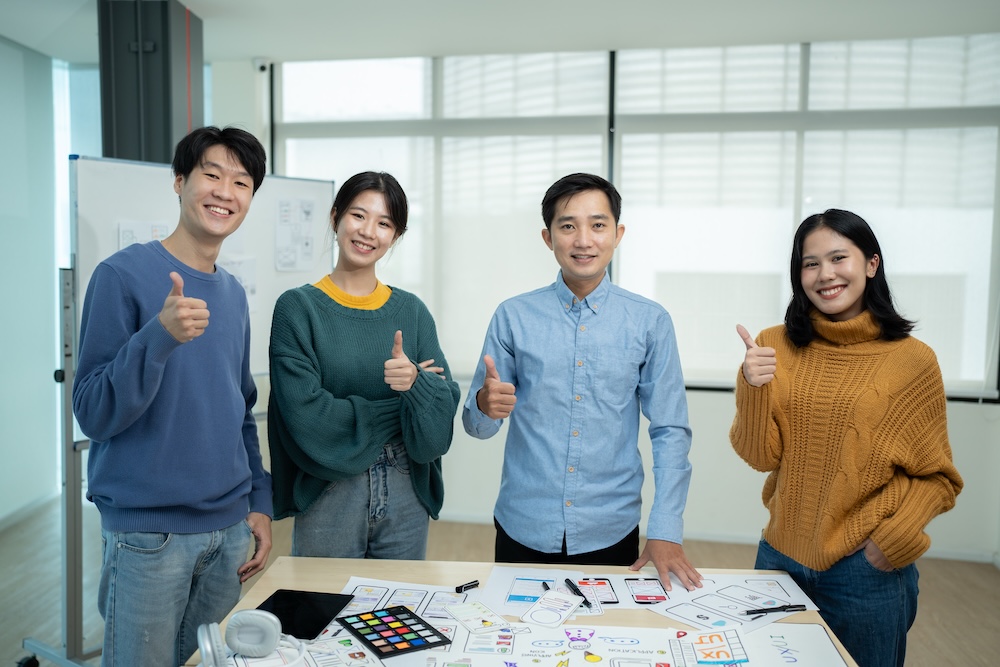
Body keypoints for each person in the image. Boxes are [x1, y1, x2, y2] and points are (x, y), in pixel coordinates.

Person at [72, 126, 273, 667]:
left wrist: (258, 499)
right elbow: (92, 411)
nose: (224, 192)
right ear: (180, 182)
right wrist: (157, 337)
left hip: (228, 533)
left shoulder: (232, 293)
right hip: (148, 536)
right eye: (211, 175)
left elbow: (241, 406)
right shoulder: (121, 276)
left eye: (241, 182)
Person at [729, 209, 963, 667]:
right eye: (810, 263)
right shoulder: (772, 343)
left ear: (871, 263)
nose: (825, 274)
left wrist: (892, 540)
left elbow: (939, 478)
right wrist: (752, 386)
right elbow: (761, 457)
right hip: (778, 556)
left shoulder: (912, 360)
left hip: (864, 571)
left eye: (839, 257)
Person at [463, 172, 703, 591]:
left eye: (597, 224)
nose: (583, 240)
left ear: (618, 233)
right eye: (568, 226)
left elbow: (670, 431)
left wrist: (665, 527)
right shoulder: (512, 316)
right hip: (523, 524)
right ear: (548, 236)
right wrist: (485, 405)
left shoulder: (650, 321)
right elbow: (478, 426)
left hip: (610, 528)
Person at [268, 171, 460, 559]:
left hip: (408, 488)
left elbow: (438, 431)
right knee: (321, 612)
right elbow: (307, 418)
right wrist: (406, 401)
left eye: (384, 223)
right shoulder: (298, 309)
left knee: (399, 614)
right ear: (335, 216)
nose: (368, 231)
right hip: (329, 486)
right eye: (358, 215)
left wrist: (417, 385)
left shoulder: (413, 311)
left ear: (396, 236)